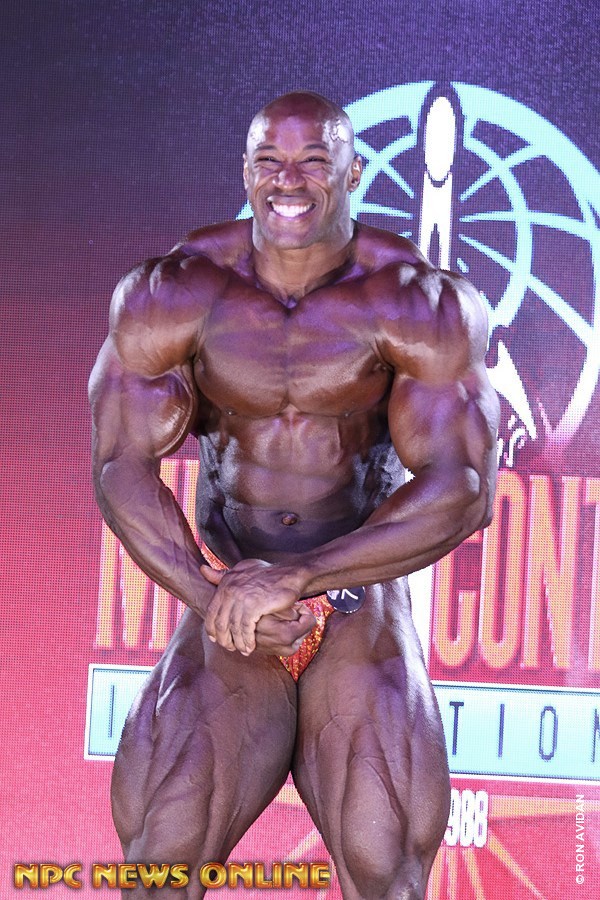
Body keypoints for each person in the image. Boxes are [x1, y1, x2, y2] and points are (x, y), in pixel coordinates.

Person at [89, 90, 499, 899]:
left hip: (355, 608)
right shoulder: (176, 292)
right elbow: (119, 465)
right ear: (245, 171)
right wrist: (212, 596)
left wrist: (299, 578)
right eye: (270, 161)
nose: (290, 180)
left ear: (353, 172)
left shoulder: (416, 302)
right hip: (229, 604)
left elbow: (464, 487)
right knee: (161, 856)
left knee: (384, 866)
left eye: (315, 161)